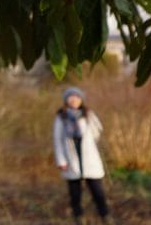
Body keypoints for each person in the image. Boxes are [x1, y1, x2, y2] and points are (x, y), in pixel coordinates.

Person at [53, 87, 112, 224]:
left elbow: (98, 130)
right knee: (75, 194)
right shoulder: (61, 117)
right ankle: (78, 217)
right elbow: (58, 139)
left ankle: (105, 216)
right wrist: (61, 160)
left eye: (77, 97)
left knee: (98, 191)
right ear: (66, 100)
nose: (74, 100)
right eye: (71, 97)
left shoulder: (88, 114)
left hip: (89, 158)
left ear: (81, 99)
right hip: (71, 159)